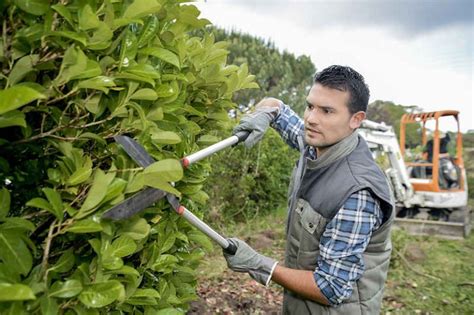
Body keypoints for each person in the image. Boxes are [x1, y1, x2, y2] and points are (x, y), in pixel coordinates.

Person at [223, 65, 394, 314]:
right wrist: (263, 112)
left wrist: (261, 265)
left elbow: (331, 288)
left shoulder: (357, 193)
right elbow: (277, 107)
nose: (312, 118)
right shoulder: (315, 142)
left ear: (355, 120)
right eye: (310, 106)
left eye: (327, 111)